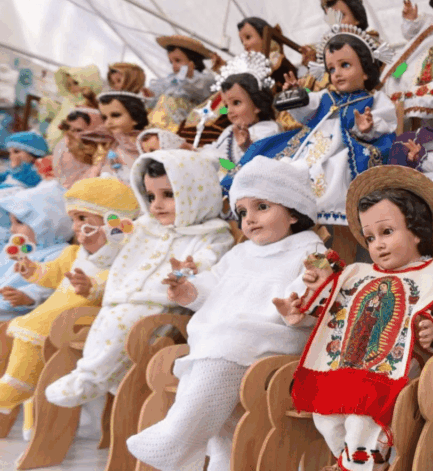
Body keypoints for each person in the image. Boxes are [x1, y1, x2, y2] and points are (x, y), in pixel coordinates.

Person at [126, 156, 324, 471]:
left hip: (276, 341)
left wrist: (299, 304)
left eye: (262, 207)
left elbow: (316, 287)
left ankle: (178, 437)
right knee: (212, 365)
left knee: (226, 343)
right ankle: (222, 458)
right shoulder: (241, 252)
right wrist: (188, 290)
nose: (250, 219)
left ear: (293, 212)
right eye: (242, 212)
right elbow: (213, 283)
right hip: (226, 343)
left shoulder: (309, 250)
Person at [277, 165, 433, 471]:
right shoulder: (357, 273)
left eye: (387, 232)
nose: (377, 243)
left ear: (417, 230)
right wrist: (302, 305)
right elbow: (334, 311)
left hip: (397, 369)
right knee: (325, 414)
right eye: (370, 237)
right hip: (348, 365)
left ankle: (358, 465)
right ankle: (353, 462)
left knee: (362, 418)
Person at [44, 150, 234, 408]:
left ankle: (90, 379)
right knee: (104, 329)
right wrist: (98, 245)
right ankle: (94, 375)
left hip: (163, 308)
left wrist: (190, 269)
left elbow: (209, 263)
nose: (156, 205)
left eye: (169, 195)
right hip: (120, 300)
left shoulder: (212, 234)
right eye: (151, 196)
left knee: (119, 328)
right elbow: (115, 254)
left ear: (197, 195)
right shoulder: (144, 226)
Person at [0, 178, 137, 422]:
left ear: (111, 223)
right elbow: (52, 272)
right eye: (74, 219)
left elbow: (114, 284)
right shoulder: (73, 253)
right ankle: (19, 386)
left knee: (32, 330)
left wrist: (91, 287)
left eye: (83, 218)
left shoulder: (122, 259)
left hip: (83, 318)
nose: (76, 226)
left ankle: (15, 387)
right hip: (57, 312)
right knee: (25, 333)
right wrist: (31, 270)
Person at [230, 23, 396, 225]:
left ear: (366, 71)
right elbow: (306, 110)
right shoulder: (326, 96)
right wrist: (295, 95)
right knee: (272, 155)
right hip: (310, 145)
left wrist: (368, 128)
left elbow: (387, 122)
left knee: (332, 169)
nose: (337, 73)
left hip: (342, 148)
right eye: (331, 68)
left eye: (345, 65)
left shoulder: (375, 99)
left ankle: (309, 210)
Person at [0, 182, 73, 321]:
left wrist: (27, 296)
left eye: (19, 223)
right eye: (11, 223)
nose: (12, 229)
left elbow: (50, 286)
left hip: (12, 312)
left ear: (47, 223)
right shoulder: (14, 247)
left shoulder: (58, 253)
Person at [199, 52, 280, 175]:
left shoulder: (268, 129)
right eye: (226, 105)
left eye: (236, 103)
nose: (230, 111)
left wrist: (247, 148)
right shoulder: (229, 130)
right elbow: (216, 150)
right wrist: (195, 151)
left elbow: (265, 162)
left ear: (257, 104)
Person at [149, 35, 220, 131]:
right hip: (161, 124)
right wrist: (151, 95)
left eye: (178, 61)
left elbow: (200, 90)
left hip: (183, 125)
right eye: (171, 62)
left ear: (193, 62)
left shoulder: (203, 80)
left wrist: (189, 78)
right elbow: (161, 92)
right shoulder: (172, 80)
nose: (174, 66)